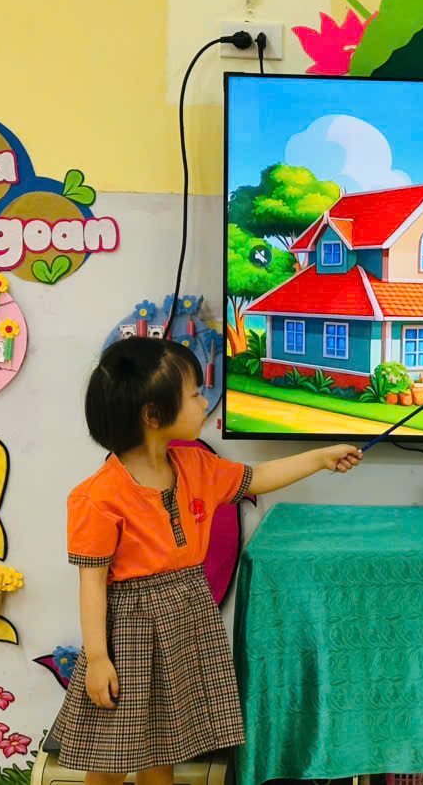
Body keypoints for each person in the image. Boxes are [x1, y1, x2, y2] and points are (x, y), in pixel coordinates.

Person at [49, 336, 361, 783]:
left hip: (186, 621)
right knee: (110, 758)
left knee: (163, 747)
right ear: (152, 415)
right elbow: (92, 582)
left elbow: (259, 476)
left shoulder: (198, 467)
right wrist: (98, 658)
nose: (204, 404)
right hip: (129, 637)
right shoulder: (97, 497)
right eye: (195, 395)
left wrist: (320, 457)